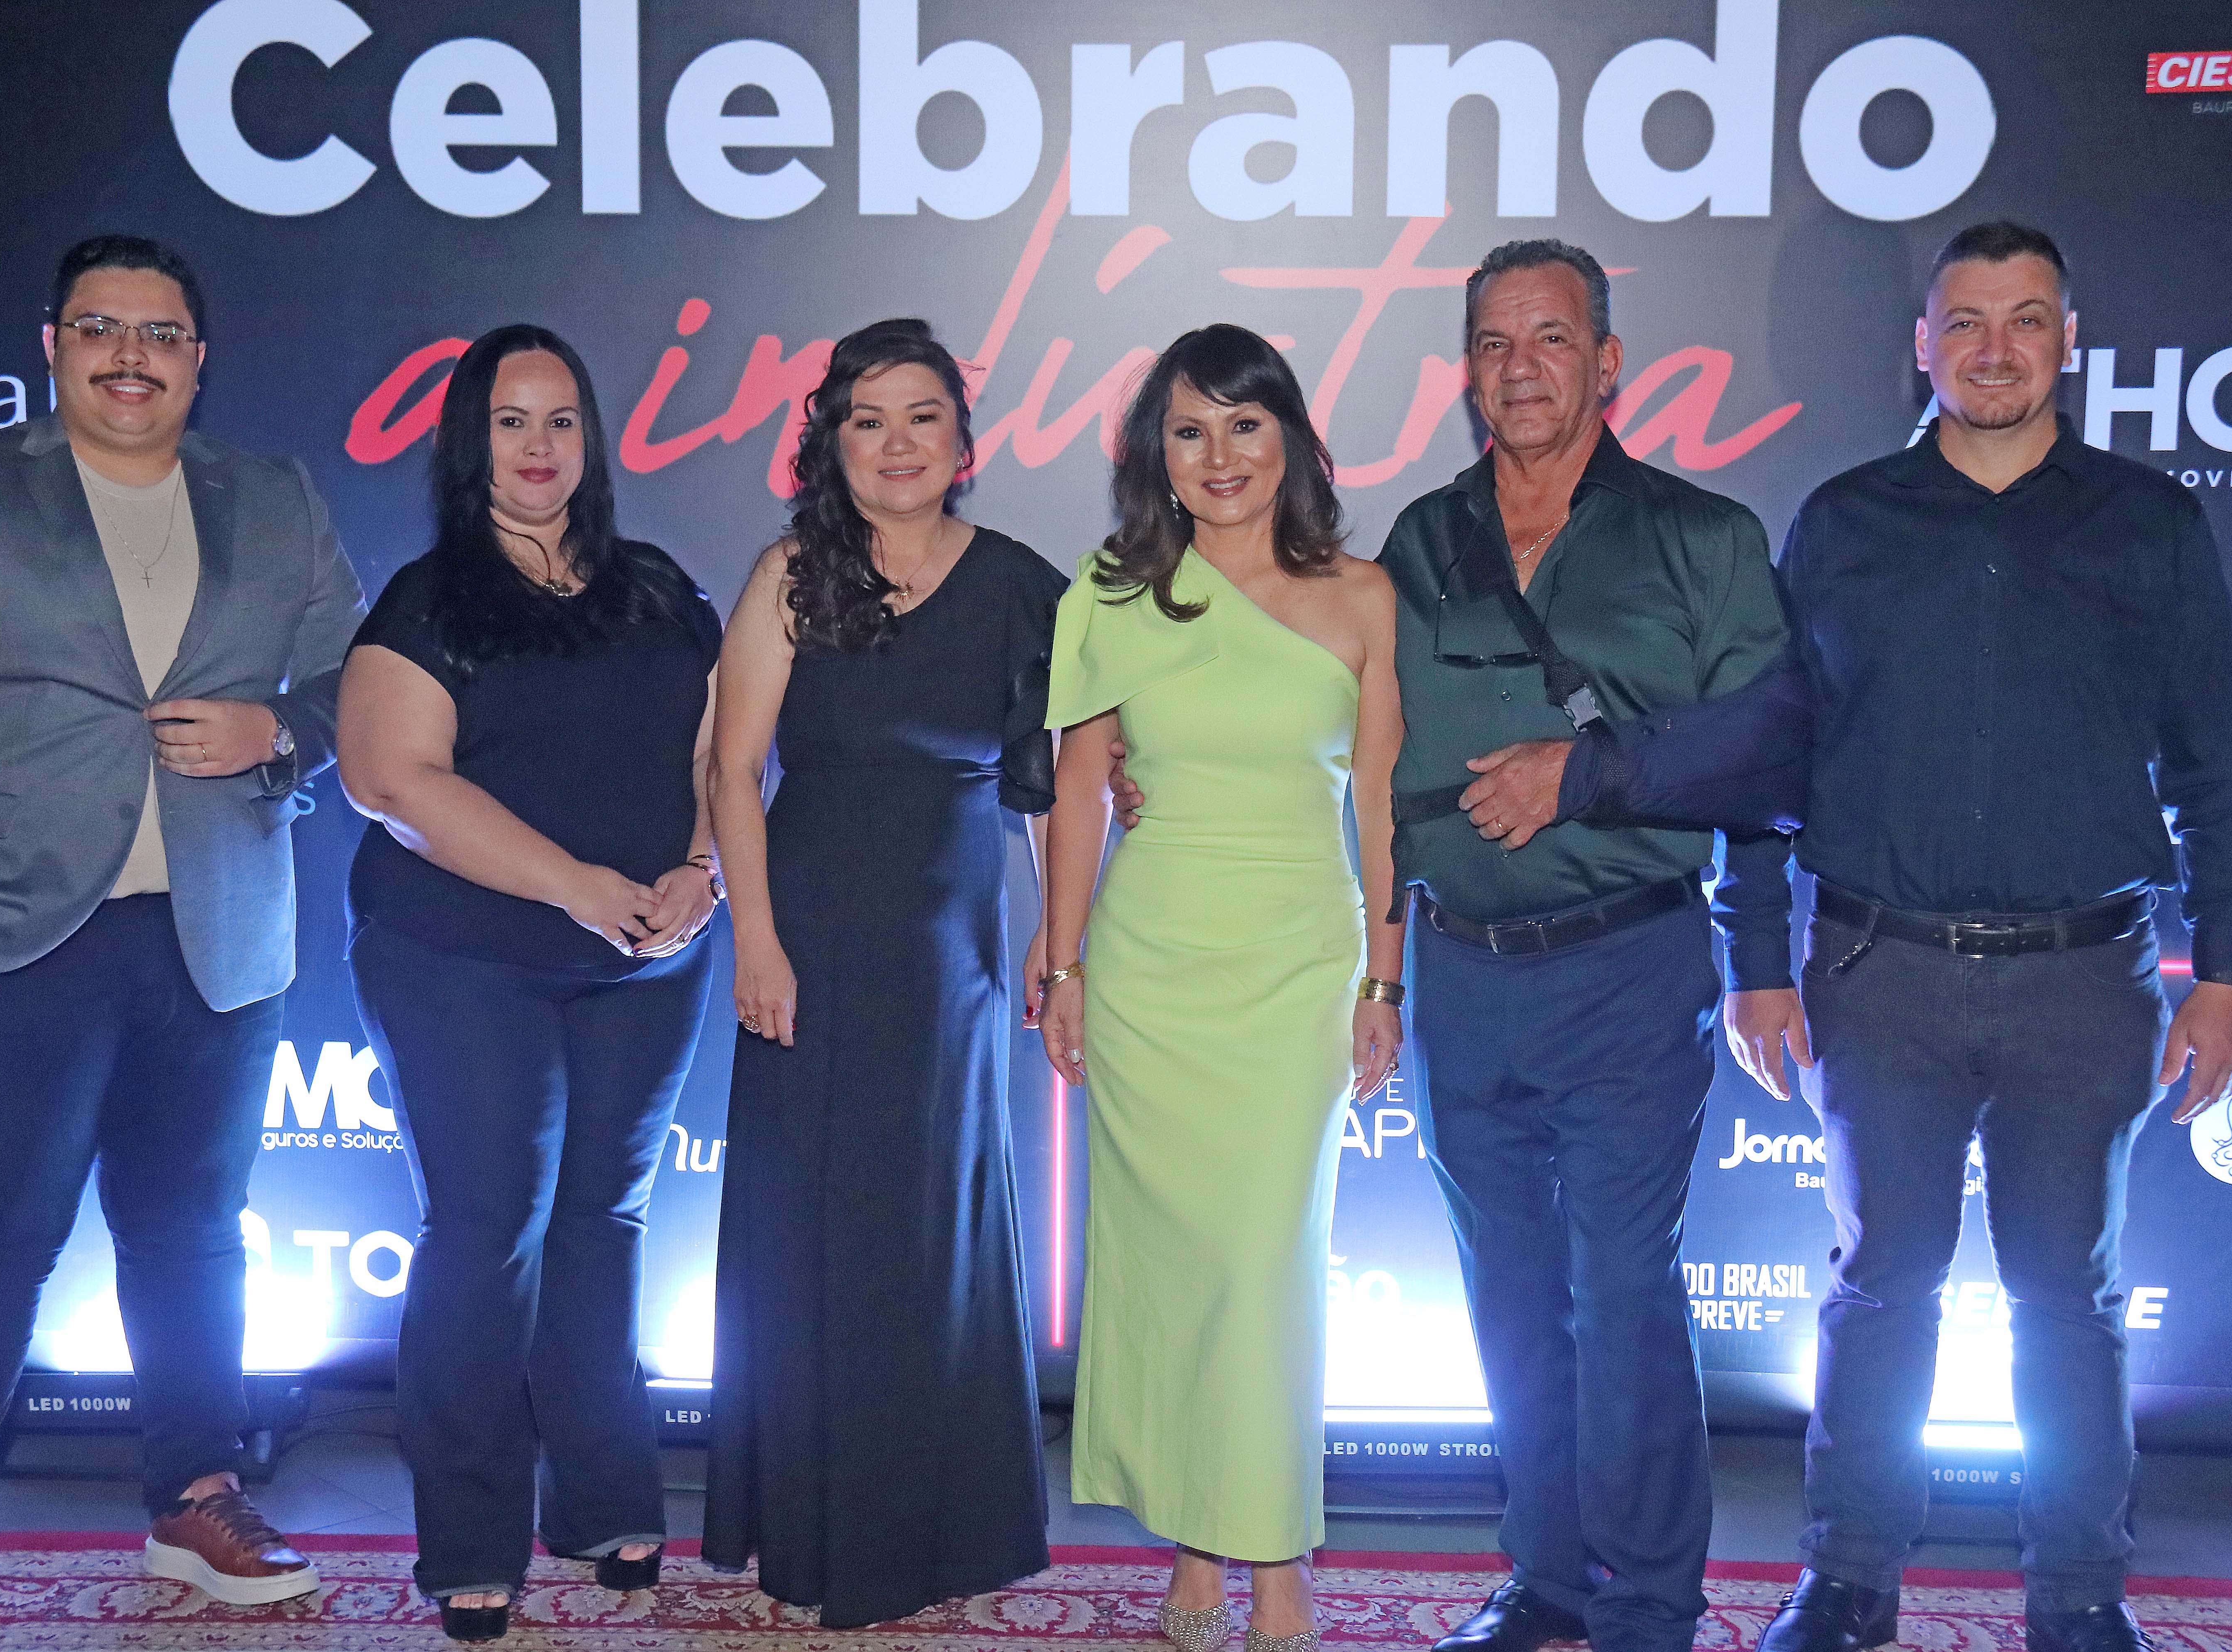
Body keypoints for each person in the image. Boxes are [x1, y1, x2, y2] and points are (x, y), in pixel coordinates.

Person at [1522, 223, 2232, 1652]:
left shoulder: (2151, 526)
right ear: (1921, 345)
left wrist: (2230, 969)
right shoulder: (1844, 524)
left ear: (2069, 341)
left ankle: (2080, 1594)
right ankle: (1850, 1581)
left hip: (2087, 979)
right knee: (1880, 1287)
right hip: (1883, 973)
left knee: (2072, 1299)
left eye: (2027, 319)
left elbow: (2220, 767)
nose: (1996, 348)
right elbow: (1771, 751)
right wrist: (1755, 958)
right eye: (1966, 322)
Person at [1115, 244, 1789, 1652]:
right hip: (1464, 973)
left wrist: (1588, 774)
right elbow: (1326, 712)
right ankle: (1547, 1581)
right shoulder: (1420, 541)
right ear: (1467, 370)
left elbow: (1771, 749)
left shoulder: (1704, 537)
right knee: (1510, 1295)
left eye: (1552, 338)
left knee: (1623, 1290)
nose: (1521, 366)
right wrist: (1155, 755)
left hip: (1628, 966)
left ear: (1609, 361)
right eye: (1493, 343)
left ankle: (1649, 1603)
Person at [0, 234, 366, 1650]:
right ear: (53, 344)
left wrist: (279, 732)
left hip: (217, 936)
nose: (132, 355)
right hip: (6, 935)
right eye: (101, 328)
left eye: (161, 333)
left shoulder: (275, 498)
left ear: (200, 357)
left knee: (193, 1239)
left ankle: (196, 1497)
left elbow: (354, 684)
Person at [335, 324, 724, 1643]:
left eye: (562, 420)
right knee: (486, 1227)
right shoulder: (429, 599)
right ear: (471, 441)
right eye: (511, 422)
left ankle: (605, 1498)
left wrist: (704, 872)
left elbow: (723, 755)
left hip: (648, 960)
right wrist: (577, 884)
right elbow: (391, 778)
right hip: (463, 959)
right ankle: (470, 1535)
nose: (540, 446)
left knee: (604, 1222)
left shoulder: (659, 586)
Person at [1041, 323, 1405, 1652]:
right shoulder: (1110, 594)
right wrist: (1063, 966)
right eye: (1189, 431)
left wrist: (1384, 980)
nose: (1220, 455)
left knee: (1264, 1268)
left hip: (1297, 966)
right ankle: (1200, 1548)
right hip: (1151, 969)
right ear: (1158, 454)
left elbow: (1382, 808)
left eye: (1244, 425)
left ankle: (1277, 1560)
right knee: (1178, 1270)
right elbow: (1080, 794)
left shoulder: (1363, 597)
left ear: (1290, 438)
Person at [703, 318, 1064, 1627]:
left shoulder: (1023, 584)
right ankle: (815, 1533)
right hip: (808, 934)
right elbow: (731, 767)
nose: (897, 443)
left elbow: (1059, 780)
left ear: (964, 441)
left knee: (931, 1235)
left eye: (924, 417)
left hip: (952, 950)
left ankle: (941, 1534)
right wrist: (754, 939)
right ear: (833, 442)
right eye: (869, 419)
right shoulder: (793, 573)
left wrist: (1058, 932)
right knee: (811, 1233)